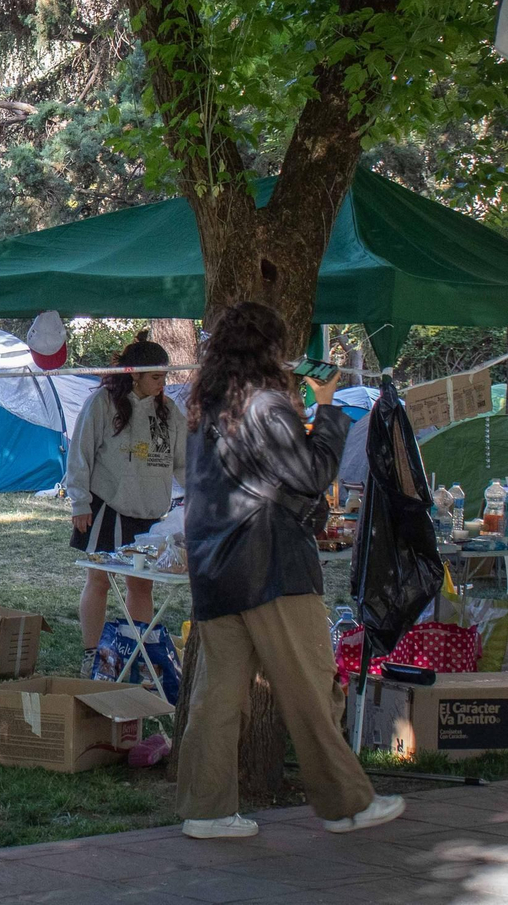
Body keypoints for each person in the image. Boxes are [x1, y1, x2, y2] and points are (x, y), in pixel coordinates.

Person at [178, 302, 402, 840]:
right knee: (310, 689)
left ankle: (205, 810)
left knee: (217, 698)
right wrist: (327, 411)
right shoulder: (265, 405)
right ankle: (348, 803)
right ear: (269, 349)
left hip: (214, 568)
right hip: (271, 565)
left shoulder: (208, 407)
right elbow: (310, 474)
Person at [66, 331, 187, 677]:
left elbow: (183, 461)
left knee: (141, 585)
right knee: (100, 580)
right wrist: (79, 502)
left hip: (150, 512)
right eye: (154, 377)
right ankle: (93, 653)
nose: (161, 384)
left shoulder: (169, 411)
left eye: (164, 376)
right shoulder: (102, 403)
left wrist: (202, 496)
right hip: (107, 507)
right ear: (134, 374)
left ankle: (138, 656)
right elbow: (80, 454)